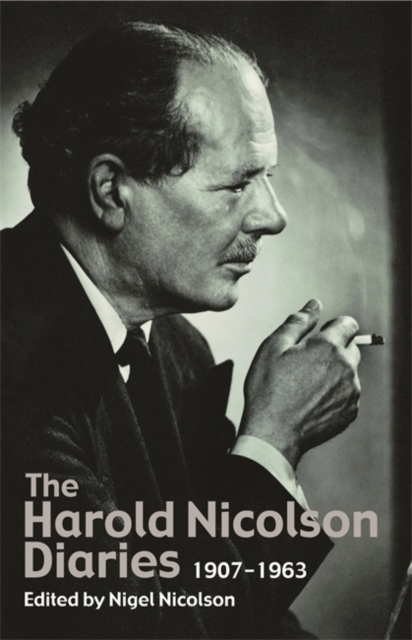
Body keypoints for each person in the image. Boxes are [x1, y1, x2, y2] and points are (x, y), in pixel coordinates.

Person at [1, 22, 361, 639]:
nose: (274, 216)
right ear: (111, 192)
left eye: (268, 179)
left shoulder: (176, 350)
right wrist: (274, 438)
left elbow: (252, 618)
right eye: (237, 184)